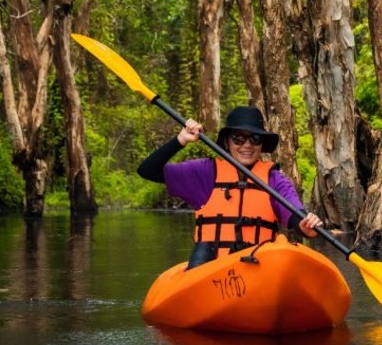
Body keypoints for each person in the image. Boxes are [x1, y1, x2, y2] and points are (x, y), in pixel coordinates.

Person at [137, 105, 323, 268]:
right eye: (238, 139)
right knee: (203, 250)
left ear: (262, 144)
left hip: (257, 267)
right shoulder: (205, 173)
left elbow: (293, 212)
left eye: (255, 138)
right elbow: (147, 171)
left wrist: (304, 224)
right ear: (227, 142)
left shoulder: (274, 179)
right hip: (212, 270)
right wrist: (181, 140)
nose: (247, 145)